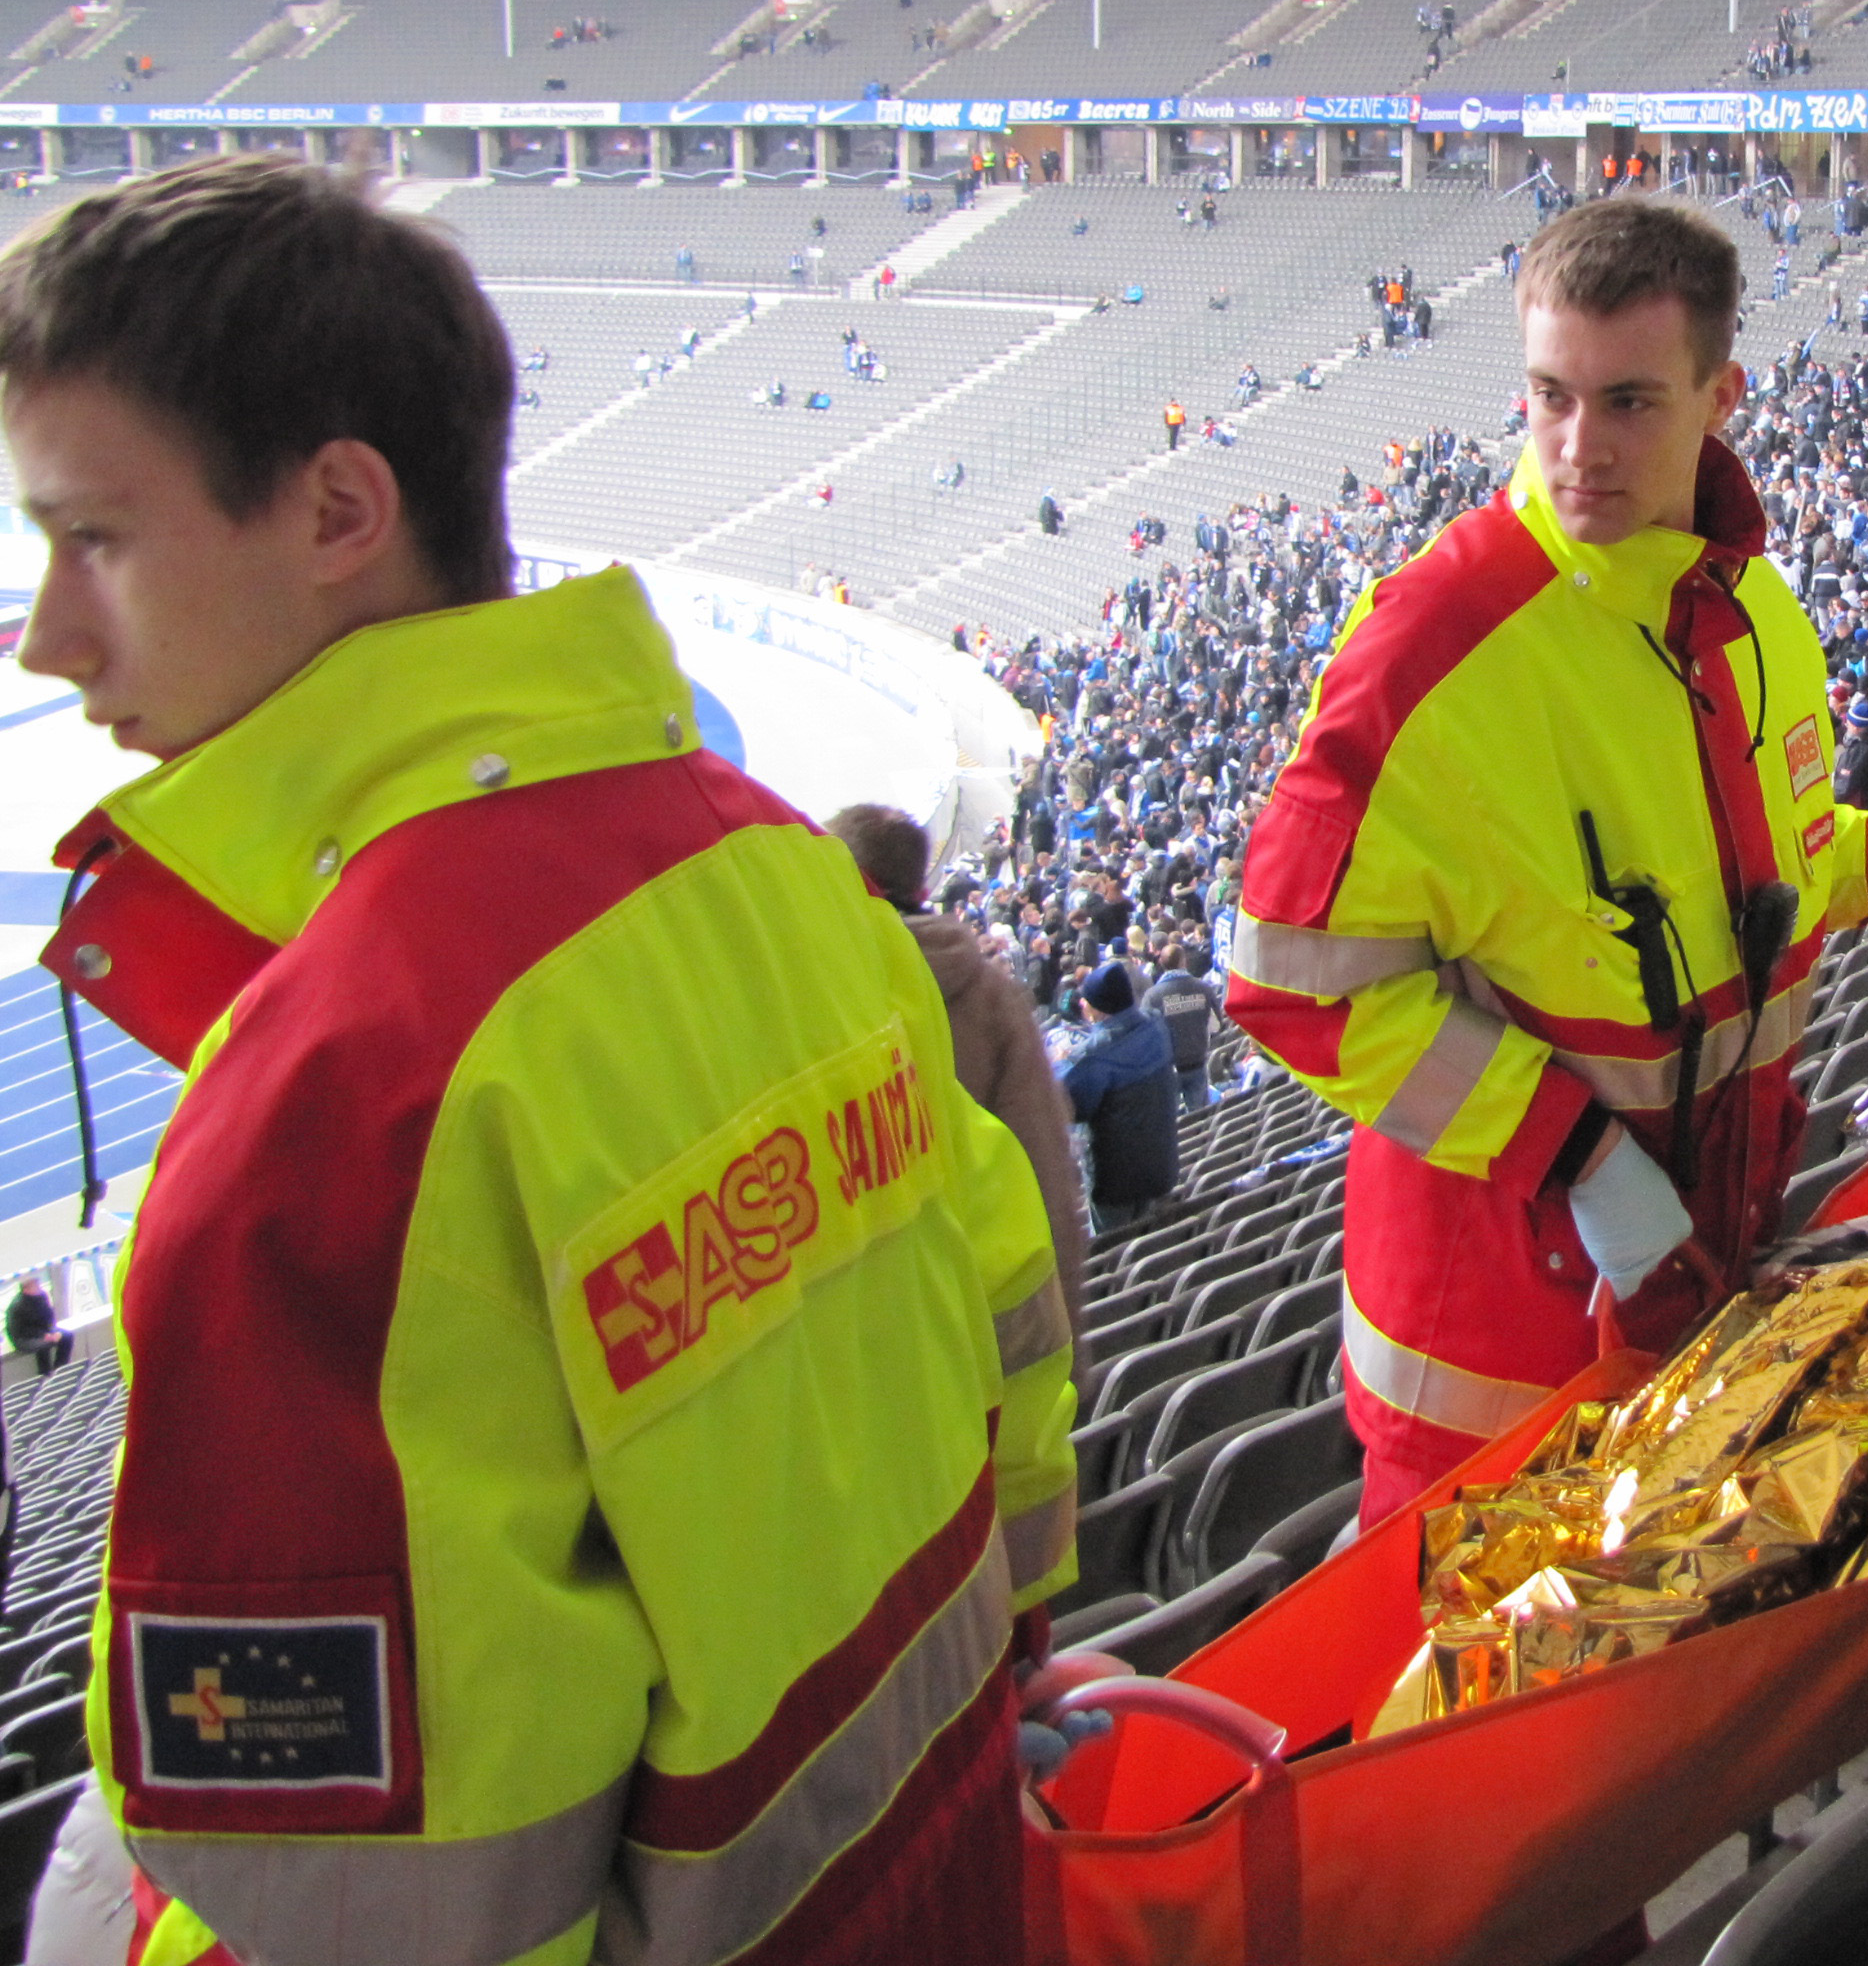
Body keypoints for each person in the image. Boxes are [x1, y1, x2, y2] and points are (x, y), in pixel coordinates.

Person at [5, 157, 1075, 1965]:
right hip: (951, 1869)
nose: (44, 629)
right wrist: (1014, 1651)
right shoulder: (776, 868)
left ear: (342, 504)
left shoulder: (341, 1099)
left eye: (93, 537)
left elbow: (361, 1895)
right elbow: (1008, 1319)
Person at [1221, 200, 1868, 1521]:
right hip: (1489, 1364)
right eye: (1550, 397)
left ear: (1719, 395)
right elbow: (1288, 981)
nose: (1581, 449)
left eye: (1628, 402)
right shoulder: (1431, 647)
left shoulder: (1756, 620)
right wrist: (1575, 1155)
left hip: (1689, 1299)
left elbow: (1760, 885)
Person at [829, 800, 1094, 1372]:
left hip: (881, 1351)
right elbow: (1047, 1172)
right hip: (996, 1336)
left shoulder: (820, 999)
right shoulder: (993, 996)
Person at [1062, 960, 1180, 1227]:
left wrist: (1063, 1063)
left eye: (1086, 1000)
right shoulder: (1156, 1026)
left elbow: (1069, 1107)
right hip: (1161, 1167)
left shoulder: (1092, 1056)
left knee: (1114, 1255)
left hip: (1115, 1183)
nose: (1081, 1004)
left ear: (1100, 1008)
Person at [1145, 945, 1221, 1111]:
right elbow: (1217, 1026)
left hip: (1168, 1068)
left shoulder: (1152, 996)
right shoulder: (1203, 988)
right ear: (1183, 961)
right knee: (1199, 1117)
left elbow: (1145, 1035)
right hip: (1198, 1061)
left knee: (1170, 1120)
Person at [6, 1274, 70, 1375]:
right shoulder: (17, 1307)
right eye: (35, 1285)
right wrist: (43, 1336)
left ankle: (60, 1368)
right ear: (26, 1289)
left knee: (67, 1336)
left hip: (44, 1331)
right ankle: (45, 1374)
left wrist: (52, 1332)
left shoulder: (42, 1296)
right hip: (24, 1338)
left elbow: (49, 1315)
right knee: (42, 1345)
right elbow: (19, 1331)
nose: (39, 1287)